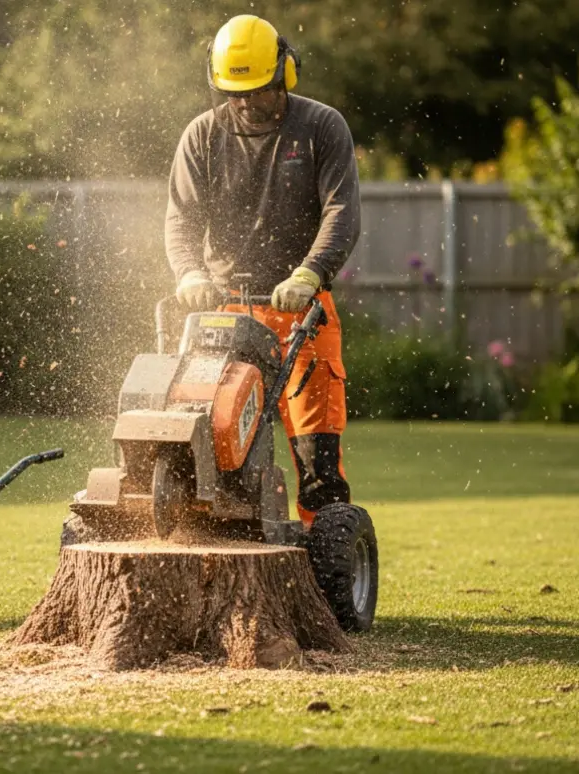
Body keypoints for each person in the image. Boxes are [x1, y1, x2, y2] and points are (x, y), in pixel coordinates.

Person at [164, 13, 361, 525]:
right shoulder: (203, 136)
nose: (246, 103)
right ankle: (213, 547)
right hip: (222, 314)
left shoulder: (321, 127)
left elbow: (342, 210)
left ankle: (323, 567)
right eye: (234, 93)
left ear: (284, 75)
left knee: (317, 459)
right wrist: (189, 274)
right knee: (210, 443)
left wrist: (309, 273)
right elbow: (181, 220)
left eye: (257, 91)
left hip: (301, 313)